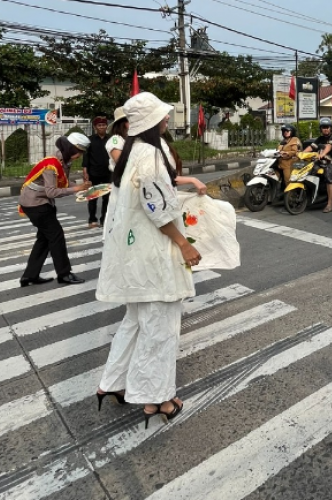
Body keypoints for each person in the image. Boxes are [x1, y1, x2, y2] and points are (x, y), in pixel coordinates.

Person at [95, 92, 206, 427]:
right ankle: (155, 400)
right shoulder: (151, 156)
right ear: (151, 122)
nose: (167, 119)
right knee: (160, 327)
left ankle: (112, 383)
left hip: (131, 255)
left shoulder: (128, 154)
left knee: (135, 322)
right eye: (163, 115)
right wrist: (184, 245)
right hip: (152, 254)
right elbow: (157, 209)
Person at [18, 133, 92, 287]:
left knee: (44, 238)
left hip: (40, 203)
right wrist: (77, 188)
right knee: (56, 235)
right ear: (70, 149)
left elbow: (63, 182)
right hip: (36, 204)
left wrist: (81, 186)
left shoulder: (64, 161)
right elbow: (52, 191)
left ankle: (29, 275)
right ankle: (64, 274)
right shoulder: (51, 164)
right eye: (78, 151)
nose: (79, 155)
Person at [304, 117, 332, 213]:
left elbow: (329, 146)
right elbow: (312, 146)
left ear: (330, 128)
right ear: (321, 129)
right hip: (321, 161)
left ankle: (330, 204)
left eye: (327, 127)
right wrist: (301, 153)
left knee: (329, 178)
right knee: (308, 170)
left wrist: (323, 154)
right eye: (323, 127)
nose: (325, 129)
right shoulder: (320, 138)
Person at [101, 107, 129, 238]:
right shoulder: (116, 140)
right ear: (124, 123)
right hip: (121, 180)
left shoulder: (128, 139)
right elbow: (121, 161)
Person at [82, 116, 112, 228]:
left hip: (108, 173)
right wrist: (85, 172)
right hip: (93, 173)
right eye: (99, 125)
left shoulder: (111, 139)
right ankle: (92, 220)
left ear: (106, 126)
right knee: (93, 198)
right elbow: (86, 157)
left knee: (107, 198)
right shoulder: (89, 140)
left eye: (103, 125)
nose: (102, 127)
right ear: (95, 127)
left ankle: (104, 219)